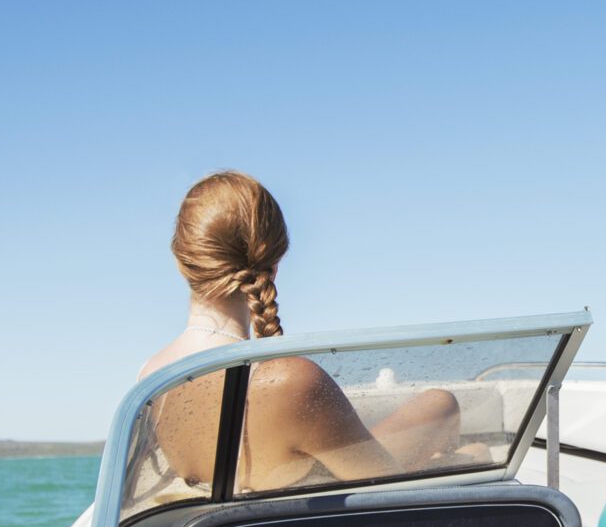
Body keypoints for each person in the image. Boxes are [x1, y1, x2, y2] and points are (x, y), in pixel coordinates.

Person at [137, 171, 463, 492]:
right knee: (444, 410)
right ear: (274, 263)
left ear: (182, 264)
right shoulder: (289, 381)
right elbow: (390, 489)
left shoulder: (151, 379)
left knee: (439, 404)